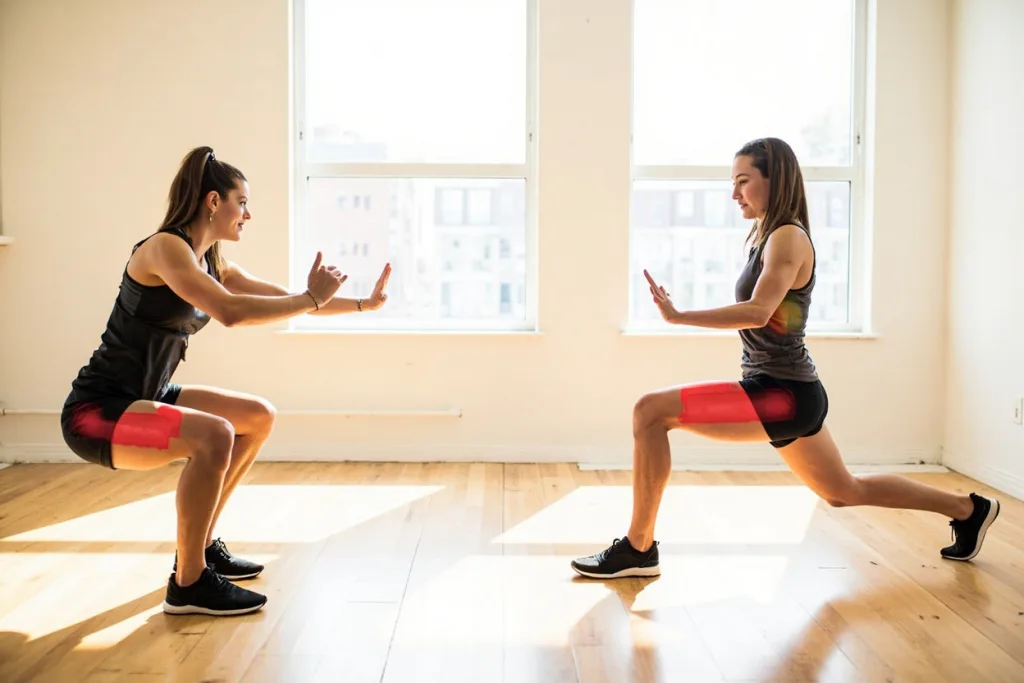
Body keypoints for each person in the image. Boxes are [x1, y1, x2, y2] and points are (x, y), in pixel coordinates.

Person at [570, 137, 1000, 580]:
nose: (734, 193)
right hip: (791, 394)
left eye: (743, 181)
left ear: (775, 180)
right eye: (733, 182)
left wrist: (680, 316)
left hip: (782, 395)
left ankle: (639, 548)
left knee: (649, 411)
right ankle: (969, 510)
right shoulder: (768, 237)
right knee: (844, 491)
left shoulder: (787, 237)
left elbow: (759, 312)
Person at [60, 145, 392, 616]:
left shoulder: (212, 262)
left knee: (257, 416)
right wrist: (311, 300)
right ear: (214, 202)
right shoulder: (166, 248)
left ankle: (201, 548)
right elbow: (231, 312)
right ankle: (189, 583)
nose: (248, 215)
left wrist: (361, 304)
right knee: (214, 434)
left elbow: (285, 298)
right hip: (96, 414)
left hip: (145, 398)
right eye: (242, 202)